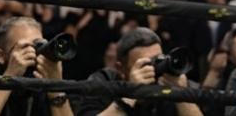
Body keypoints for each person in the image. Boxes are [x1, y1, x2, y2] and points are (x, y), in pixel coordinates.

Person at [0, 17, 74, 116]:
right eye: (25, 47)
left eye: (39, 45)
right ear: (1, 56)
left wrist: (56, 88)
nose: (33, 53)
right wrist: (10, 76)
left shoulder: (45, 80)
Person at [73, 27, 203, 116]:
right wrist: (130, 95)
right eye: (145, 64)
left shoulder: (170, 81)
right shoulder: (103, 82)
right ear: (121, 68)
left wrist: (181, 95)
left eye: (158, 60)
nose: (154, 69)